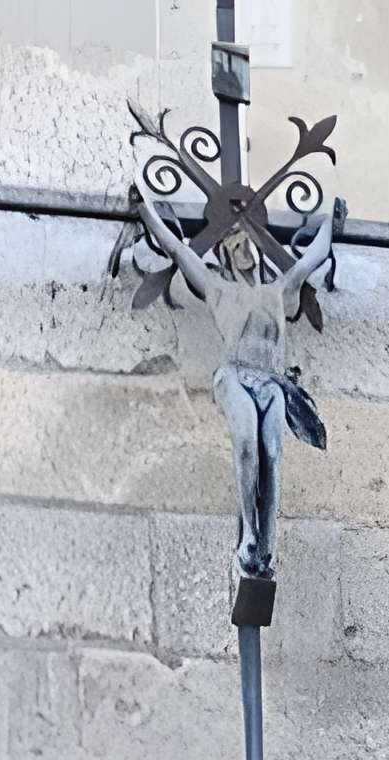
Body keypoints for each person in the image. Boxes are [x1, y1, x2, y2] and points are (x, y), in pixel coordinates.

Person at [133, 188, 338, 600]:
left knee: (273, 454)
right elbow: (176, 248)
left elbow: (315, 255)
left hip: (272, 381)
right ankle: (248, 536)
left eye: (243, 243)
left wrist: (333, 217)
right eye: (231, 246)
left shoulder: (279, 291)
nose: (238, 249)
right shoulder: (217, 288)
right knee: (246, 445)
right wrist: (145, 211)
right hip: (235, 376)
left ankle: (268, 545)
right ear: (225, 256)